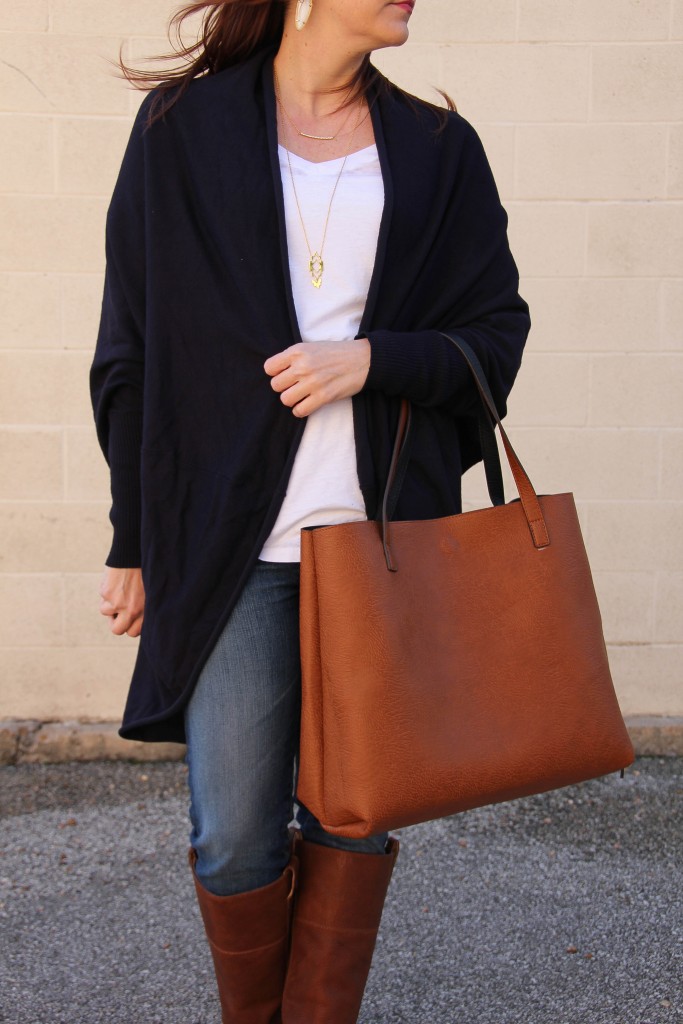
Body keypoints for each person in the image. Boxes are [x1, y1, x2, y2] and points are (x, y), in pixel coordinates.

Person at [90, 0, 530, 1020]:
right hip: (230, 550)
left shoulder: (435, 149)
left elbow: (494, 334)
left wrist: (369, 361)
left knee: (352, 818)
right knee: (232, 834)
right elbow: (132, 352)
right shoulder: (178, 133)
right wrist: (131, 538)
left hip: (380, 546)